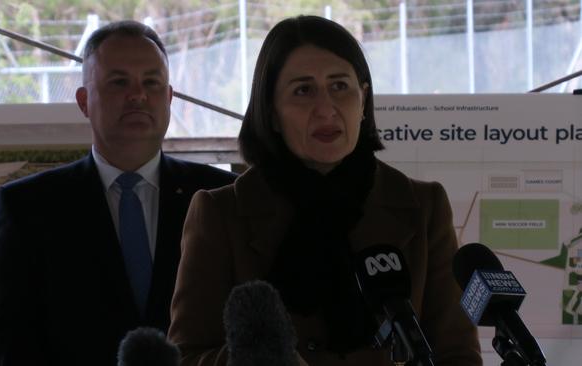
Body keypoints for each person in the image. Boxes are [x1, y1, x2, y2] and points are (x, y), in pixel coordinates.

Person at [168, 15, 482, 366]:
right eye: (303, 90)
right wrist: (254, 358)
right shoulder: (220, 213)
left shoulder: (423, 207)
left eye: (339, 86)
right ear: (271, 111)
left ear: (363, 100)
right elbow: (184, 357)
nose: (326, 108)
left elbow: (458, 355)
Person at [0, 20, 236, 366]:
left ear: (170, 97)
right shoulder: (28, 208)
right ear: (84, 101)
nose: (138, 95)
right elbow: (7, 348)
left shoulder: (219, 196)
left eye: (151, 82)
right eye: (119, 82)